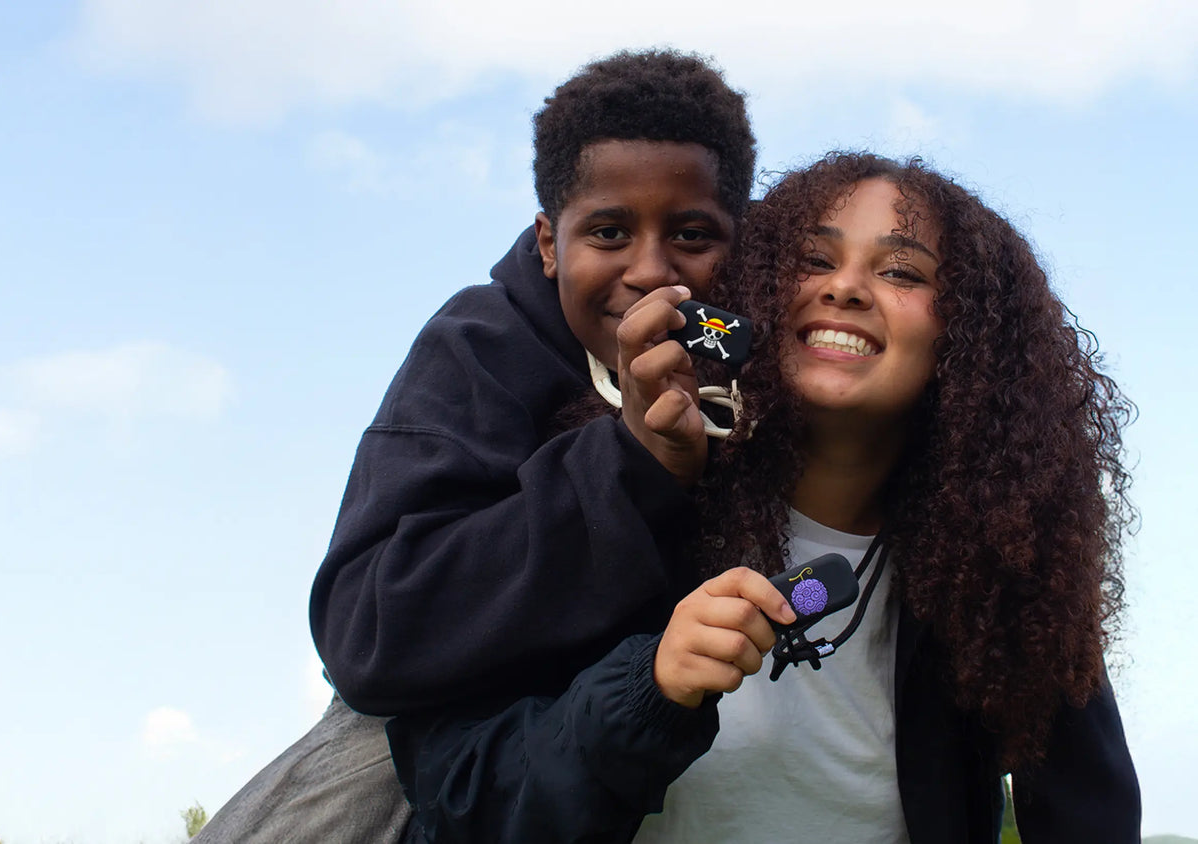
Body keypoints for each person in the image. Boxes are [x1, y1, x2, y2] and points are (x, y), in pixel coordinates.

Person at [387, 153, 1140, 843]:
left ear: (975, 338)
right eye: (814, 260)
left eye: (902, 272)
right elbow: (457, 798)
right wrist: (647, 693)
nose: (844, 287)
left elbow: (1090, 818)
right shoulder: (627, 501)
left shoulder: (1005, 577)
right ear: (755, 295)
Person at [195, 49, 757, 843]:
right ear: (549, 242)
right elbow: (369, 632)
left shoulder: (770, 365)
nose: (650, 270)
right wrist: (634, 465)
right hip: (423, 757)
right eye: (608, 231)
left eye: (693, 234)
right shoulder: (477, 349)